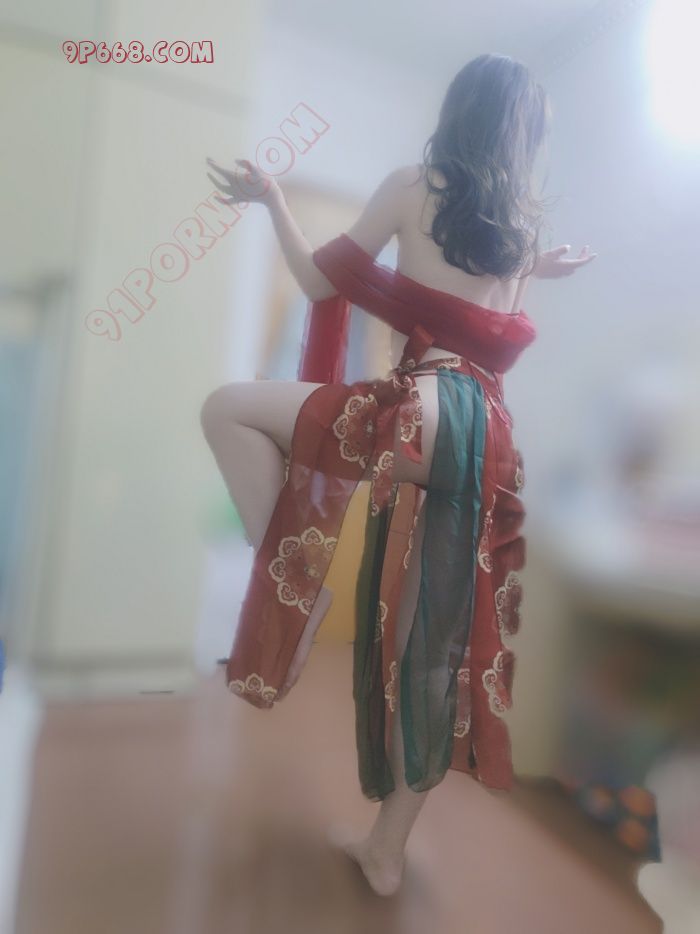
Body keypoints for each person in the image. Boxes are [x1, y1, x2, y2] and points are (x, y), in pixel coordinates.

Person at [200, 53, 596, 896]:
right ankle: (385, 852)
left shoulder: (415, 185)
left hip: (420, 413)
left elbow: (318, 280)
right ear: (521, 135)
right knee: (432, 652)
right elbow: (482, 323)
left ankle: (296, 583)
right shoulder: (521, 229)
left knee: (228, 407)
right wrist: (538, 272)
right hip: (485, 440)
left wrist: (274, 201)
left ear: (458, 110)